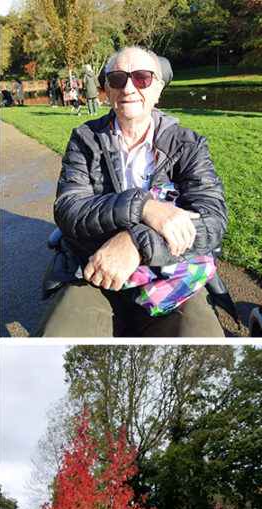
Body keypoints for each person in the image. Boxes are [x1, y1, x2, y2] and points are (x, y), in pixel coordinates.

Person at [37, 46, 228, 337]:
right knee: (56, 340)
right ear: (106, 89)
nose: (128, 88)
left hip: (169, 274)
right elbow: (69, 209)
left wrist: (138, 245)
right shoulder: (85, 139)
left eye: (141, 78)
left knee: (203, 340)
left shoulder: (188, 145)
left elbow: (212, 220)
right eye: (117, 79)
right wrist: (144, 207)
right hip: (94, 270)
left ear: (158, 88)